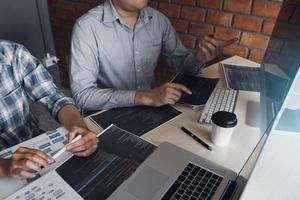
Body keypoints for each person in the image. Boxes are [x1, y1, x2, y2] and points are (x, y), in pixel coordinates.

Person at [70, 0, 237, 111]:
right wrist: (145, 96)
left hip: (149, 109)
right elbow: (83, 96)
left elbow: (180, 62)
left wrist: (200, 58)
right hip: (106, 115)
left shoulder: (158, 20)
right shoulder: (87, 27)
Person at [0, 40, 98, 178]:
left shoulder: (13, 53)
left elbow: (54, 98)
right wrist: (4, 167)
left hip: (34, 146)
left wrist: (80, 128)